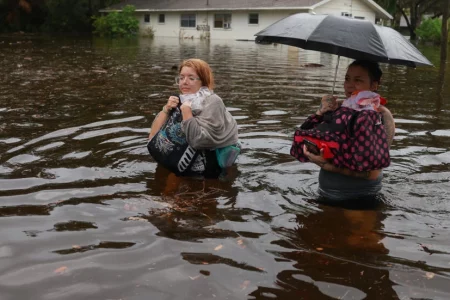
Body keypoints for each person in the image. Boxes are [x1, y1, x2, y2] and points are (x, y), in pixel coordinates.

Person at [291, 60, 395, 202]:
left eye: (358, 80)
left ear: (374, 85)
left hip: (360, 198)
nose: (349, 85)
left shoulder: (380, 115)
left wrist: (327, 166)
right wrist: (321, 113)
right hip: (325, 192)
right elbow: (306, 136)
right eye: (347, 79)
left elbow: (372, 173)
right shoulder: (338, 107)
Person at [147, 58, 239, 178]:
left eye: (191, 78)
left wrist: (186, 112)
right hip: (179, 164)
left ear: (203, 81)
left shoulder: (212, 101)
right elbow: (152, 138)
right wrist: (166, 109)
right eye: (181, 77)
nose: (184, 82)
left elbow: (199, 141)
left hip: (206, 172)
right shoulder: (180, 100)